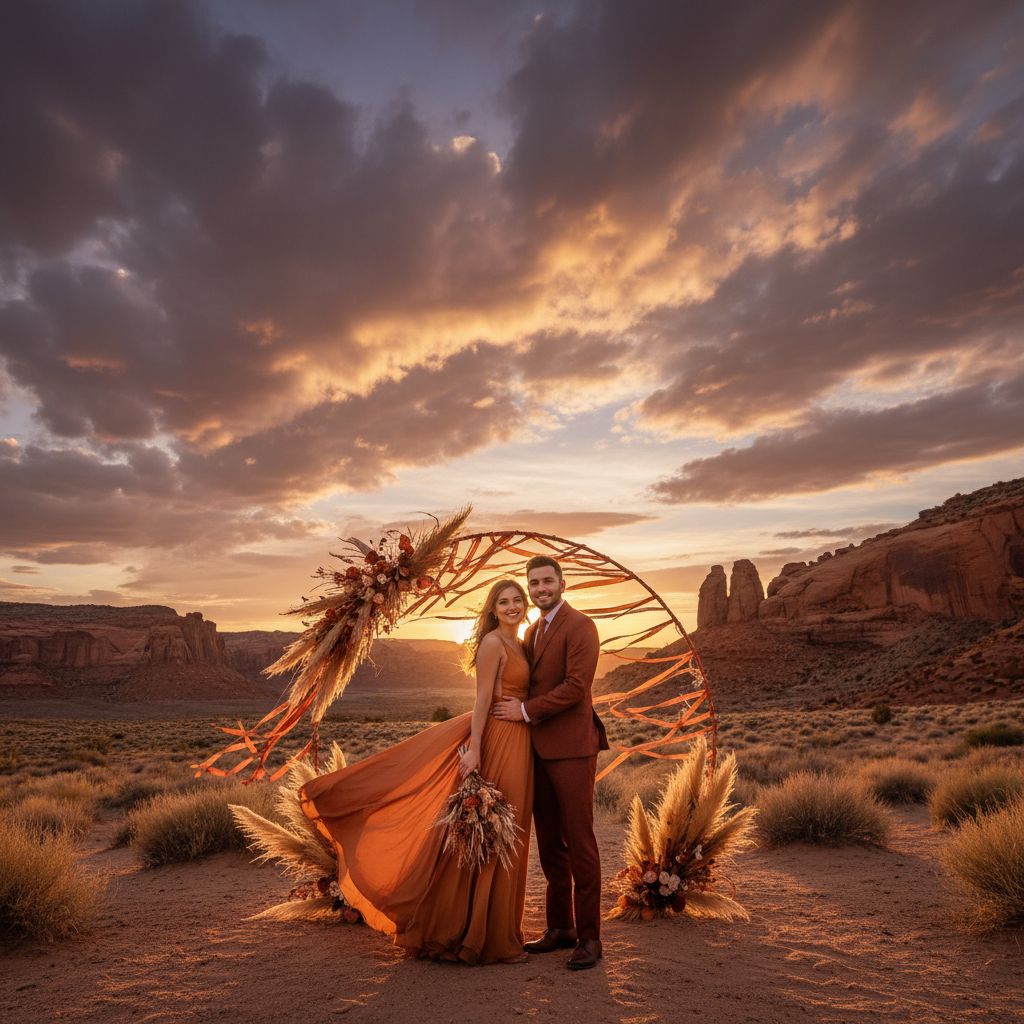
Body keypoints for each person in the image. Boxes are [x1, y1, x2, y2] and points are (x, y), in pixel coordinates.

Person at [298, 578, 534, 964]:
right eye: (503, 601)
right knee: (495, 836)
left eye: (517, 600)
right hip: (500, 742)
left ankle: (499, 930)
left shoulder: (519, 642)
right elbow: (479, 701)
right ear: (492, 609)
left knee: (510, 834)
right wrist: (475, 750)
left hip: (520, 742)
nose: (512, 606)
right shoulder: (493, 644)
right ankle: (486, 939)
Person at [491, 555, 609, 970]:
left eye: (546, 581)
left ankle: (591, 938)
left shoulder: (581, 627)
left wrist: (524, 712)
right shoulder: (534, 630)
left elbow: (576, 688)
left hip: (574, 749)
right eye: (534, 583)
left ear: (562, 582)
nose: (540, 589)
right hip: (537, 751)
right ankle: (562, 927)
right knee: (550, 846)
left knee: (580, 843)